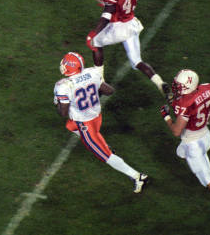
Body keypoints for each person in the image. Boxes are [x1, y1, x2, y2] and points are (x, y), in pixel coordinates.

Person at [54, 51, 149, 193]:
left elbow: (63, 113)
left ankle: (137, 176)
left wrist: (57, 102)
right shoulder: (92, 73)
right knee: (70, 125)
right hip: (97, 116)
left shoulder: (63, 86)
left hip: (85, 124)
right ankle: (104, 144)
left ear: (69, 67)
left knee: (105, 156)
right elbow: (109, 91)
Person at [85, 0, 172, 100]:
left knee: (96, 43)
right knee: (137, 61)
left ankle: (100, 82)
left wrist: (94, 33)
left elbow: (107, 15)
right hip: (131, 23)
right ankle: (160, 83)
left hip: (118, 27)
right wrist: (108, 4)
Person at [160, 69, 210, 203]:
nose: (176, 88)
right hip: (206, 136)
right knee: (185, 154)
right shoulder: (208, 89)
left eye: (180, 86)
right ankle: (207, 172)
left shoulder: (185, 104)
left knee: (209, 182)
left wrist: (166, 117)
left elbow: (176, 131)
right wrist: (203, 122)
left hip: (193, 145)